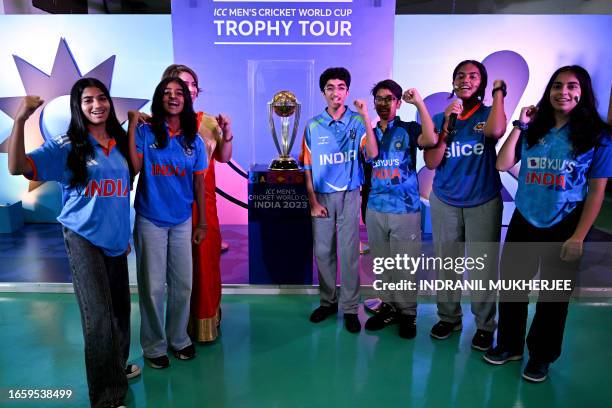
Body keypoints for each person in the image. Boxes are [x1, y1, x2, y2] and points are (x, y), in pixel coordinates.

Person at [8, 77, 138, 407]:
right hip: (82, 237)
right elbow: (17, 167)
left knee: (120, 311)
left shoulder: (118, 141)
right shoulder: (67, 145)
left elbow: (125, 185)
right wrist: (21, 118)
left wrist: (122, 234)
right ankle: (107, 398)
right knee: (98, 317)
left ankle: (117, 368)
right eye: (88, 100)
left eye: (102, 98)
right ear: (78, 108)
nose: (97, 105)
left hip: (114, 238)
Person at [484, 65, 612, 382]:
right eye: (557, 86)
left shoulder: (598, 136)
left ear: (583, 92)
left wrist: (579, 237)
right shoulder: (534, 127)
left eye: (571, 86)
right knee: (513, 289)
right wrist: (520, 126)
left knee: (553, 299)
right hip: (525, 219)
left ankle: (541, 356)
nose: (563, 92)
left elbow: (597, 191)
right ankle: (509, 346)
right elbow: (502, 163)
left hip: (566, 224)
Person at [424, 60, 507, 350]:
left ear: (482, 83)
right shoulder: (440, 116)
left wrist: (498, 93)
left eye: (473, 76)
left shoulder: (488, 114)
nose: (466, 80)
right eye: (460, 75)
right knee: (448, 264)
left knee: (483, 268)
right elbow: (432, 161)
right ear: (453, 80)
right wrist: (447, 124)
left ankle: (485, 326)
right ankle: (449, 317)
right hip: (445, 200)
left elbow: (496, 133)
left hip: (482, 200)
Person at [128, 77, 207, 369]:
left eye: (179, 93)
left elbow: (199, 185)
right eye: (166, 93)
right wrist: (132, 124)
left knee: (183, 284)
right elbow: (133, 169)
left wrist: (203, 223)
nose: (173, 97)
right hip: (150, 218)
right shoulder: (145, 132)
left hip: (183, 220)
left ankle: (179, 339)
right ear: (158, 98)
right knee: (152, 287)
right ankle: (153, 345)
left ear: (187, 99)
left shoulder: (194, 139)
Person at [300, 67, 378, 333]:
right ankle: (328, 301)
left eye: (341, 87)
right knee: (323, 252)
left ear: (347, 91)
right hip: (321, 197)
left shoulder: (357, 121)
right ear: (323, 92)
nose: (336, 92)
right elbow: (308, 167)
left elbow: (372, 153)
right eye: (330, 87)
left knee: (348, 253)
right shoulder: (313, 125)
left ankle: (349, 308)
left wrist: (366, 116)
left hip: (349, 194)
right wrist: (312, 201)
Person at [161, 64, 233, 342]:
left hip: (204, 206)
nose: (187, 88)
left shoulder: (209, 121)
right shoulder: (153, 123)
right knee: (175, 271)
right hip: (168, 206)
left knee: (205, 264)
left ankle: (206, 323)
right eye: (179, 83)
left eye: (192, 84)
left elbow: (224, 158)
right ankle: (177, 329)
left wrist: (226, 133)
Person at [362, 79, 437, 338]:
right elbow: (371, 156)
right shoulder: (368, 132)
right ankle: (389, 307)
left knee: (404, 265)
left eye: (389, 99)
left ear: (397, 102)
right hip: (375, 207)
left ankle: (408, 314)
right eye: (379, 99)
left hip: (405, 209)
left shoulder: (408, 128)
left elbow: (430, 139)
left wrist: (419, 102)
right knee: (383, 265)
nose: (383, 104)